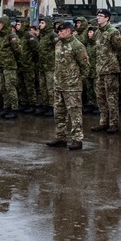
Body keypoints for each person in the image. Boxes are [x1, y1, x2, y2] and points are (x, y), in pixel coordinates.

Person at [46, 20, 90, 150]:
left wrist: (78, 80)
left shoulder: (77, 45)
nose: (59, 33)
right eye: (58, 31)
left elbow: (85, 66)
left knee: (74, 113)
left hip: (72, 86)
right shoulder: (58, 44)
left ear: (69, 31)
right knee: (59, 112)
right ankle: (60, 137)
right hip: (59, 84)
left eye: (62, 30)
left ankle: (77, 140)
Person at [91, 8, 121, 133]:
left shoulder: (113, 32)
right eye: (97, 15)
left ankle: (114, 123)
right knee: (101, 98)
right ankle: (103, 122)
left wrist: (117, 66)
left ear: (107, 18)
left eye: (101, 15)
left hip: (110, 69)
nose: (98, 17)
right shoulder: (98, 32)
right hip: (100, 69)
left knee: (111, 98)